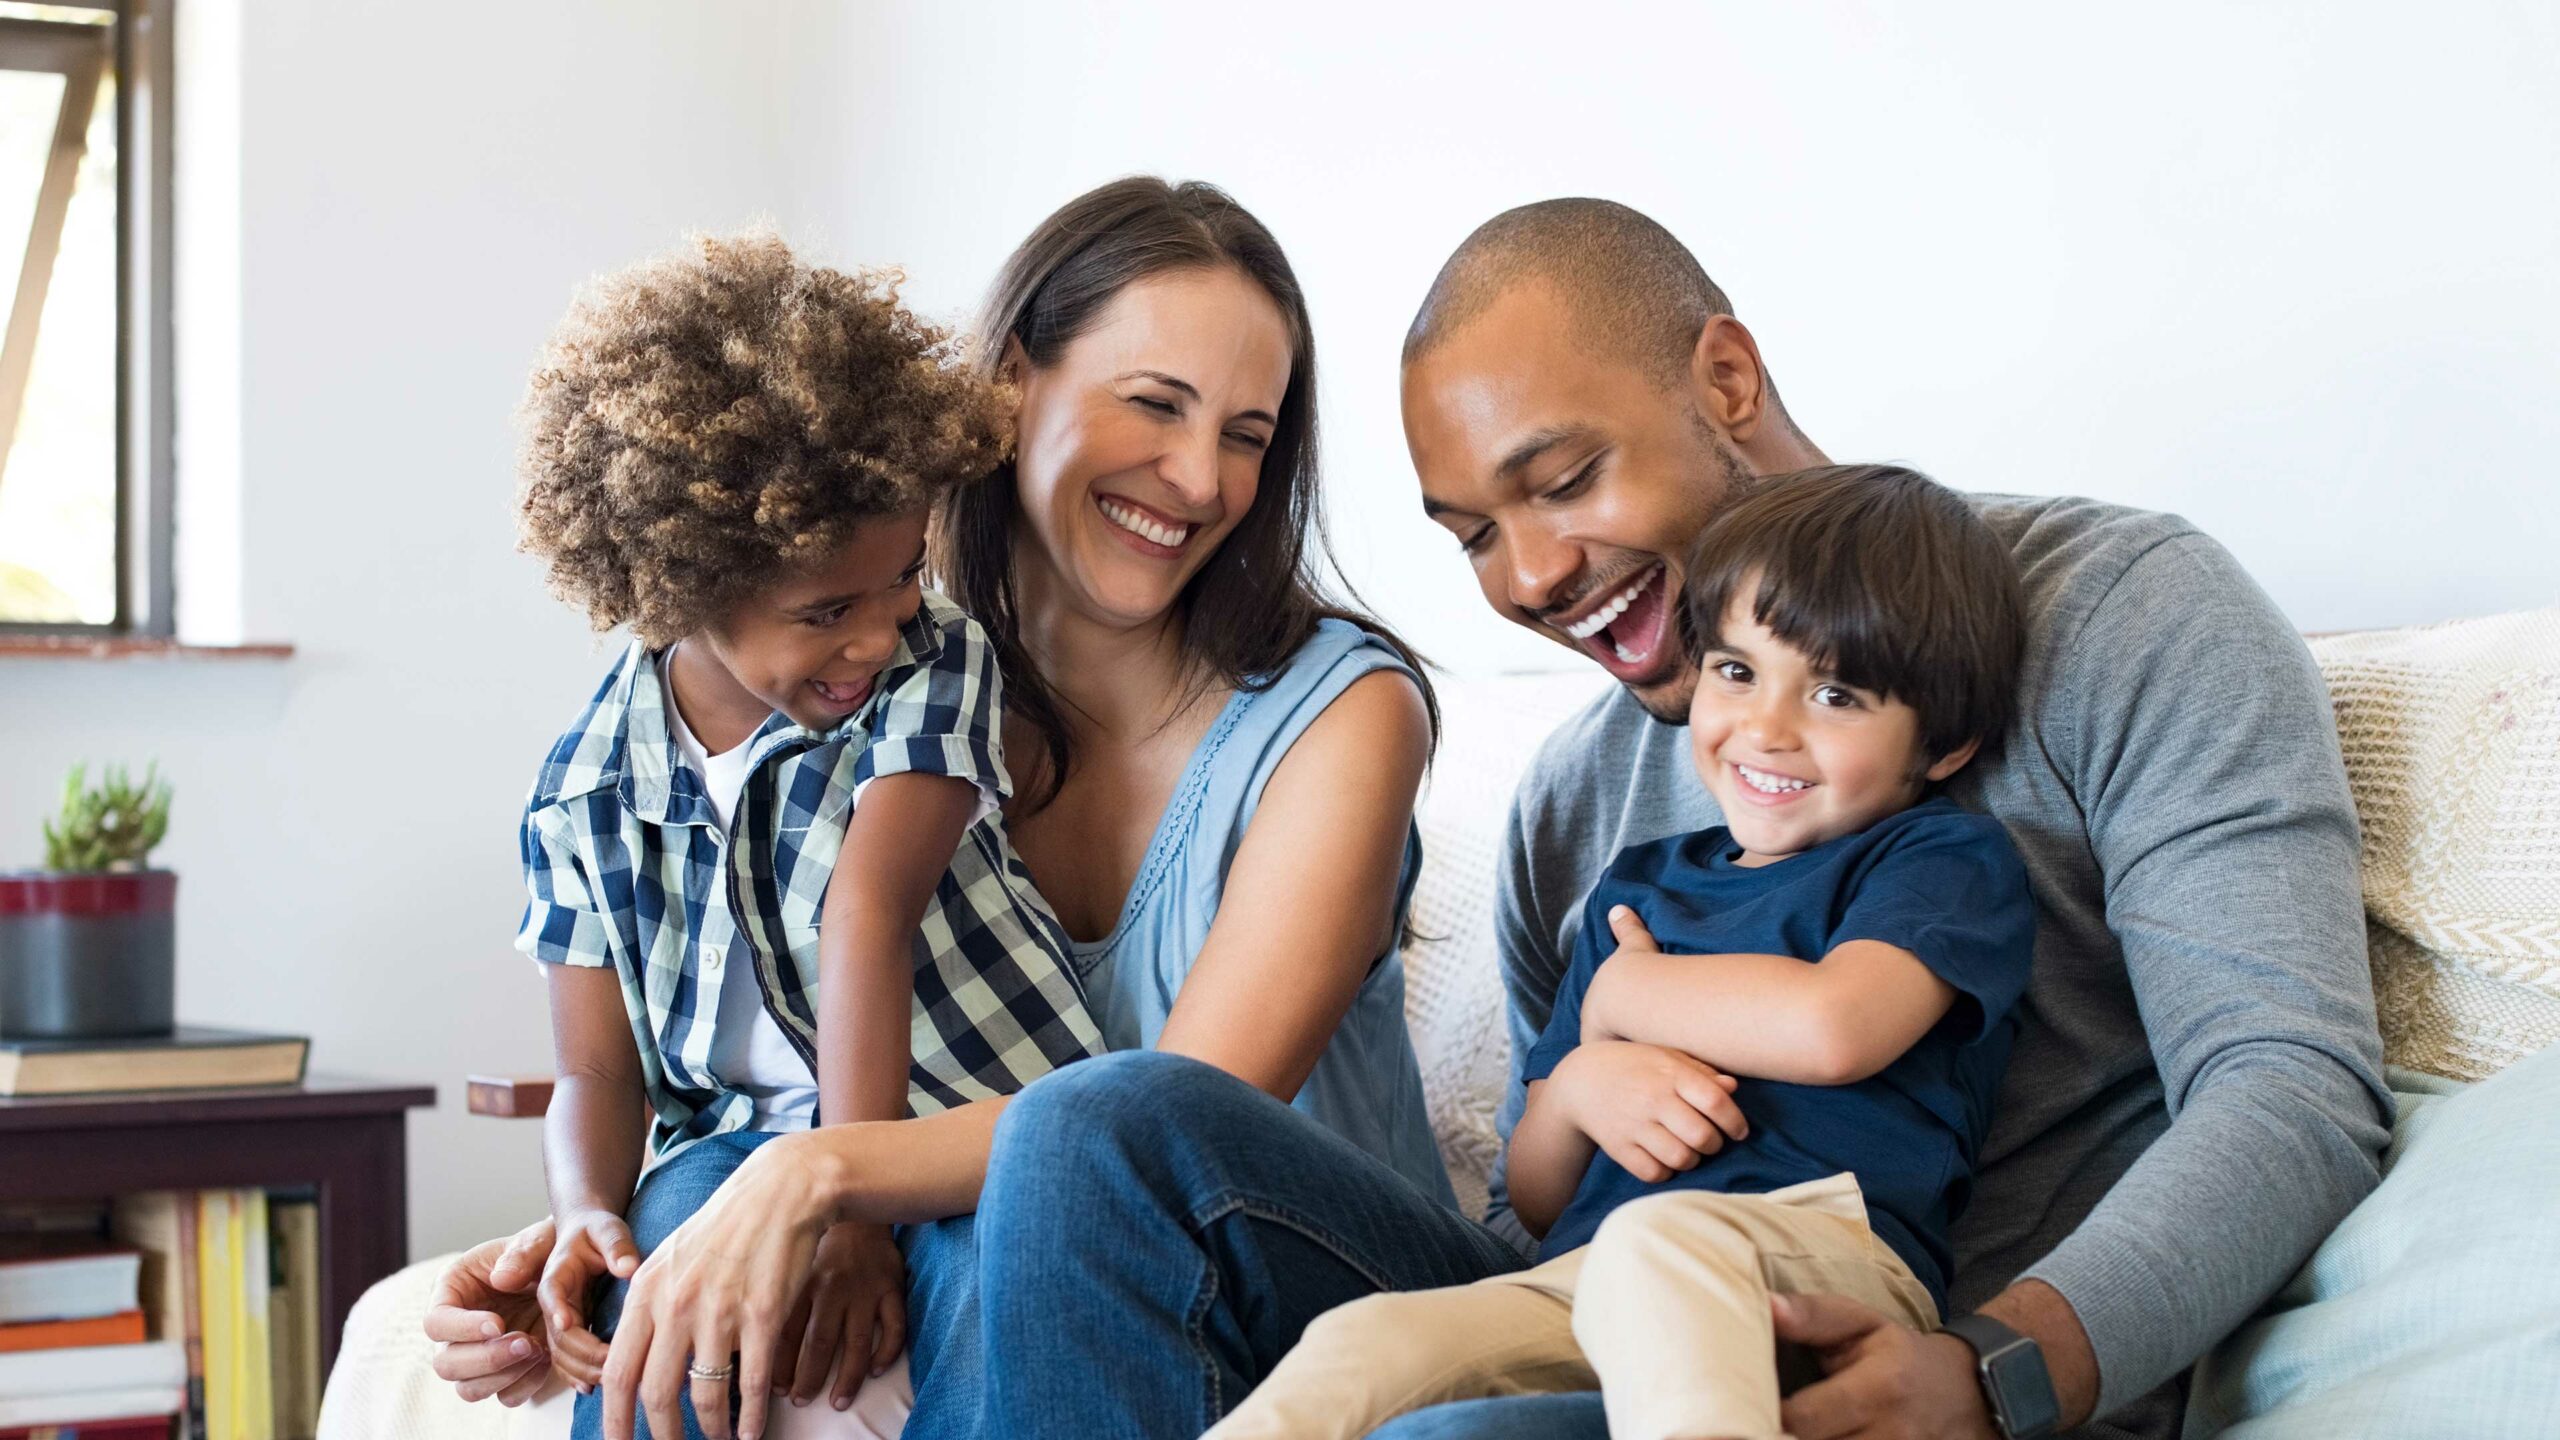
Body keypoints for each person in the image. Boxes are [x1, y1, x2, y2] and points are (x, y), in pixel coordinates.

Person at [930, 197, 2389, 1440]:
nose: (1530, 576)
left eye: (1562, 482)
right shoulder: (1575, 803)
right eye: (1475, 536)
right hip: (1598, 1315)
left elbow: (2290, 1086)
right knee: (1096, 1129)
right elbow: (1533, 1205)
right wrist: (1573, 1099)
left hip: (1901, 1353)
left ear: (1729, 379)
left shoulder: (2116, 611)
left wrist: (1998, 1369)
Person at [422, 179, 1503, 1440]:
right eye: (1154, 404)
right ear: (1006, 386)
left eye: (1248, 436)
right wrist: (601, 1243)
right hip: (1039, 1264)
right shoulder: (865, 680)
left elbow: (1164, 1127)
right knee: (704, 1239)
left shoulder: (1341, 713)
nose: (1201, 478)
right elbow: (732, 1042)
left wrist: (824, 1175)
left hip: (1310, 1283)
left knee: (1072, 1155)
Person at [1204, 464, 2037, 1440]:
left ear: (1940, 746)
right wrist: (1585, 1084)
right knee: (1366, 1343)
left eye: (1836, 694)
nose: (1765, 729)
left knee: (1658, 1243)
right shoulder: (1638, 888)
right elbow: (1538, 1193)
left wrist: (1628, 998)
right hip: (1590, 1269)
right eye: (1737, 671)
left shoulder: (1936, 857)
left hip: (1822, 1255)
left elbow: (1833, 1028)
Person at [503, 232, 1106, 1438]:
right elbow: (593, 1070)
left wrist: (852, 1210)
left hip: (958, 1126)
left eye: (897, 582)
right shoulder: (582, 790)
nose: (876, 634)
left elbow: (865, 919)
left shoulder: (935, 663)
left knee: (1007, 1279)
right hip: (727, 1147)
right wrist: (584, 1211)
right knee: (662, 1288)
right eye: (827, 610)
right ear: (681, 585)